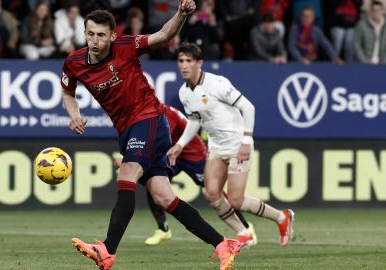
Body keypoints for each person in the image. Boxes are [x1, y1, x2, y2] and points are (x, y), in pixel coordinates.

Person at [60, 4, 242, 270]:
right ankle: (223, 243)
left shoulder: (126, 45)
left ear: (112, 36)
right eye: (90, 34)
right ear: (84, 33)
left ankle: (107, 250)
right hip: (126, 129)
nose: (95, 40)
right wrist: (73, 114)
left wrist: (181, 13)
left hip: (150, 119)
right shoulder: (74, 63)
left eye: (101, 35)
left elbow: (164, 36)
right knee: (163, 196)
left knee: (127, 172)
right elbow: (68, 92)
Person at [167, 43, 295, 248]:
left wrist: (246, 141)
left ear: (199, 63)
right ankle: (243, 234)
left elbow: (248, 107)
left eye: (189, 61)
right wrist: (180, 144)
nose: (184, 65)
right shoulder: (184, 92)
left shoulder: (217, 83)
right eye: (181, 61)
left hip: (238, 145)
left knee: (235, 200)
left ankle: (281, 217)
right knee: (211, 194)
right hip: (217, 147)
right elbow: (195, 120)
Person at [114, 104, 258, 246]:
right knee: (151, 181)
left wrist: (129, 160)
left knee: (214, 192)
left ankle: (245, 227)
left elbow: (154, 141)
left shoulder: (163, 114)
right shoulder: (147, 112)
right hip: (170, 155)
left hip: (192, 155)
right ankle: (163, 229)